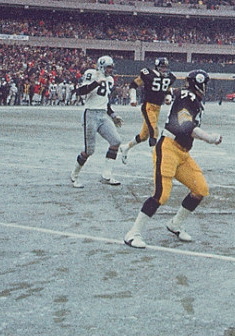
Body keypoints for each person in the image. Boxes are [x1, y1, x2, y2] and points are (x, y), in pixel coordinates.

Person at [124, 70, 222, 248]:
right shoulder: (189, 98)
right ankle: (133, 233)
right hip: (169, 148)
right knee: (161, 195)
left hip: (183, 153)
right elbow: (185, 125)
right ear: (198, 83)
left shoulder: (190, 97)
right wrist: (209, 138)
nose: (206, 87)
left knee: (200, 189)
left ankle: (175, 224)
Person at [70, 55, 124, 188]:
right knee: (89, 150)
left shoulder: (110, 79)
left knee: (116, 141)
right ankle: (74, 175)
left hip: (103, 114)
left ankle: (106, 175)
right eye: (108, 67)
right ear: (101, 66)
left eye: (111, 67)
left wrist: (113, 115)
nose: (111, 70)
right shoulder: (91, 74)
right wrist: (96, 83)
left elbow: (105, 100)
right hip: (90, 113)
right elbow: (80, 92)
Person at [121, 57, 174, 162]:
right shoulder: (148, 74)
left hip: (157, 108)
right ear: (157, 67)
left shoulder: (168, 77)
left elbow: (167, 89)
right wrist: (133, 98)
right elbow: (133, 85)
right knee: (154, 130)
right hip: (148, 106)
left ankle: (126, 147)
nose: (164, 69)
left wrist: (168, 97)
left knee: (144, 135)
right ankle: (156, 155)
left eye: (166, 67)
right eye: (162, 67)